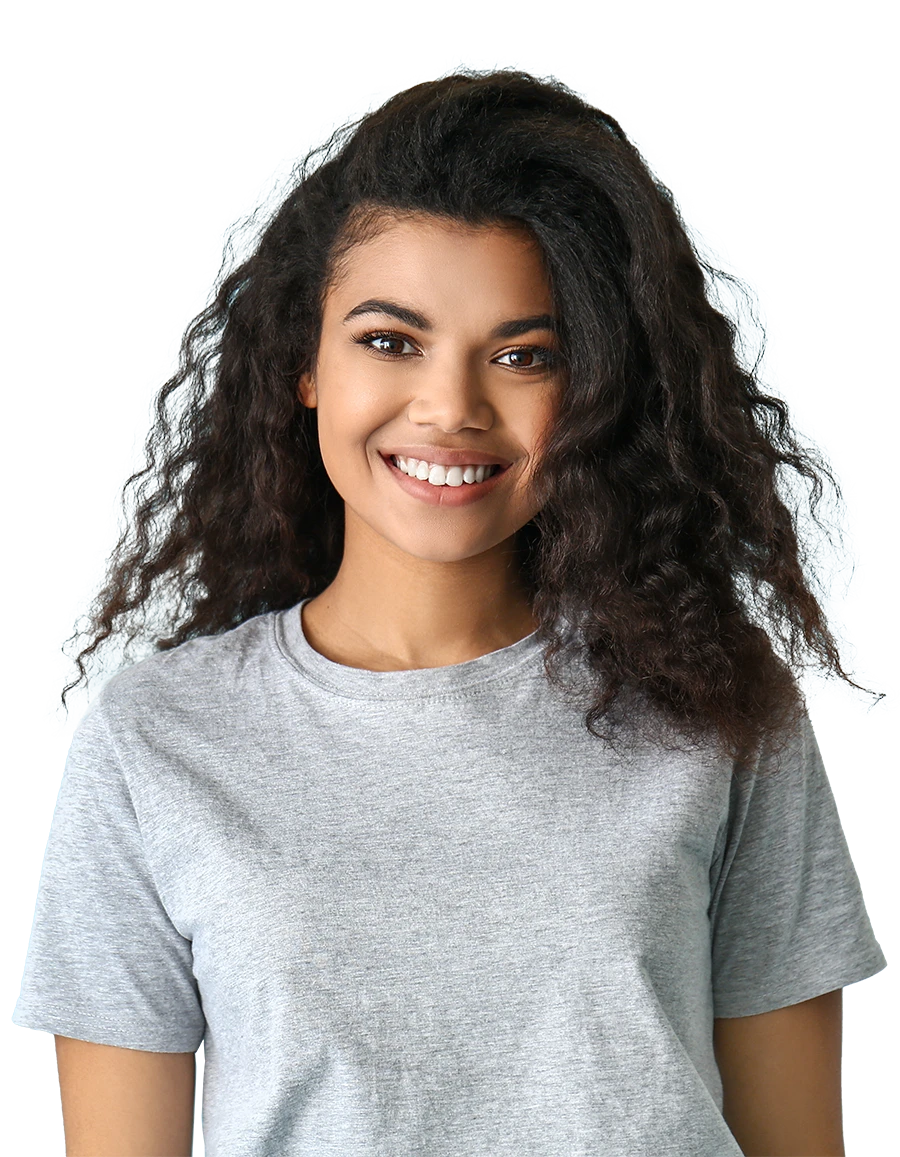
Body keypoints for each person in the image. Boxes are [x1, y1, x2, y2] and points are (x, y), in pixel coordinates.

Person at [12, 66, 886, 1157]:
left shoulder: (716, 702)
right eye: (390, 340)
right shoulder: (156, 743)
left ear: (600, 390)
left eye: (525, 356)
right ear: (305, 365)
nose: (452, 407)